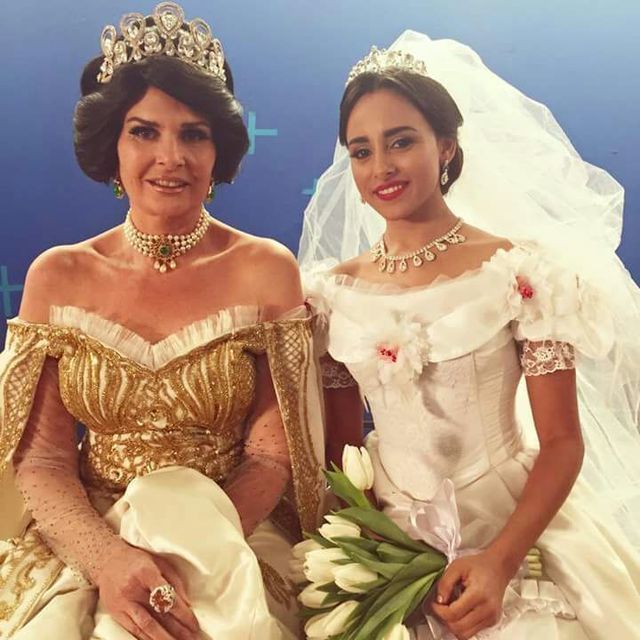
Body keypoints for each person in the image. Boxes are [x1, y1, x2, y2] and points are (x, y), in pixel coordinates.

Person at [0, 3, 326, 639]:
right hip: (91, 535)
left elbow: (272, 456)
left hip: (232, 529)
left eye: (194, 134)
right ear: (112, 146)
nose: (170, 157)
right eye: (144, 132)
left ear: (219, 148)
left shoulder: (266, 270)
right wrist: (110, 561)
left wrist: (194, 550)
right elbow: (43, 461)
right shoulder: (57, 276)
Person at [300, 32, 640, 639]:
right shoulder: (330, 296)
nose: (381, 167)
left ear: (447, 146)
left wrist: (501, 561)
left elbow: (563, 441)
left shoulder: (518, 273)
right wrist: (376, 547)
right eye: (361, 151)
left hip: (510, 527)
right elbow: (341, 452)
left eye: (401, 141)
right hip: (388, 536)